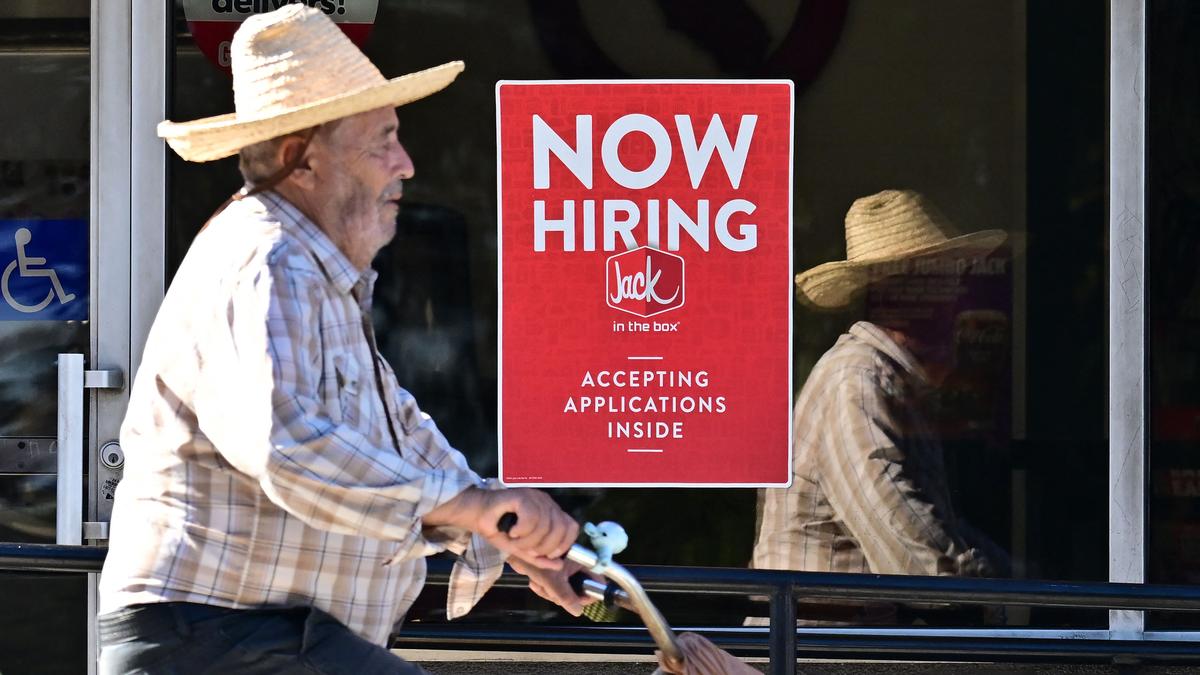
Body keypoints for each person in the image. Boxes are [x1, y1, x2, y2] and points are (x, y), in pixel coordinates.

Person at [97, 6, 583, 673]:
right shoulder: (269, 260)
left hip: (257, 638)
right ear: (304, 160)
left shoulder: (314, 273)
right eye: (382, 139)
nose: (406, 165)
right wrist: (474, 506)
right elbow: (287, 443)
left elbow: (398, 437)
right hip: (221, 636)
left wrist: (509, 530)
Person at [752, 190, 1010, 622]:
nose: (959, 293)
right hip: (820, 654)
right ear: (902, 290)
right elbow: (912, 547)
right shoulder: (857, 381)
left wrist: (1007, 573)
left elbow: (924, 521)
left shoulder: (886, 380)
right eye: (945, 275)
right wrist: (996, 586)